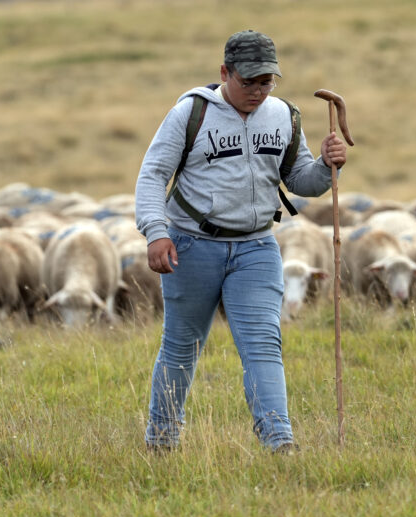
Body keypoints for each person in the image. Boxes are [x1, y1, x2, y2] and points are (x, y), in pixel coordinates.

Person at [135, 30, 348, 452]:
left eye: (266, 81)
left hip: (256, 246)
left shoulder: (284, 115)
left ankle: (279, 441)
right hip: (191, 245)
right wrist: (156, 233)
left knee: (263, 344)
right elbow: (152, 175)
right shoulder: (189, 113)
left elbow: (300, 180)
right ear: (224, 72)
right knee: (182, 346)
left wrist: (326, 165)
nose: (257, 90)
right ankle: (161, 440)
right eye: (247, 81)